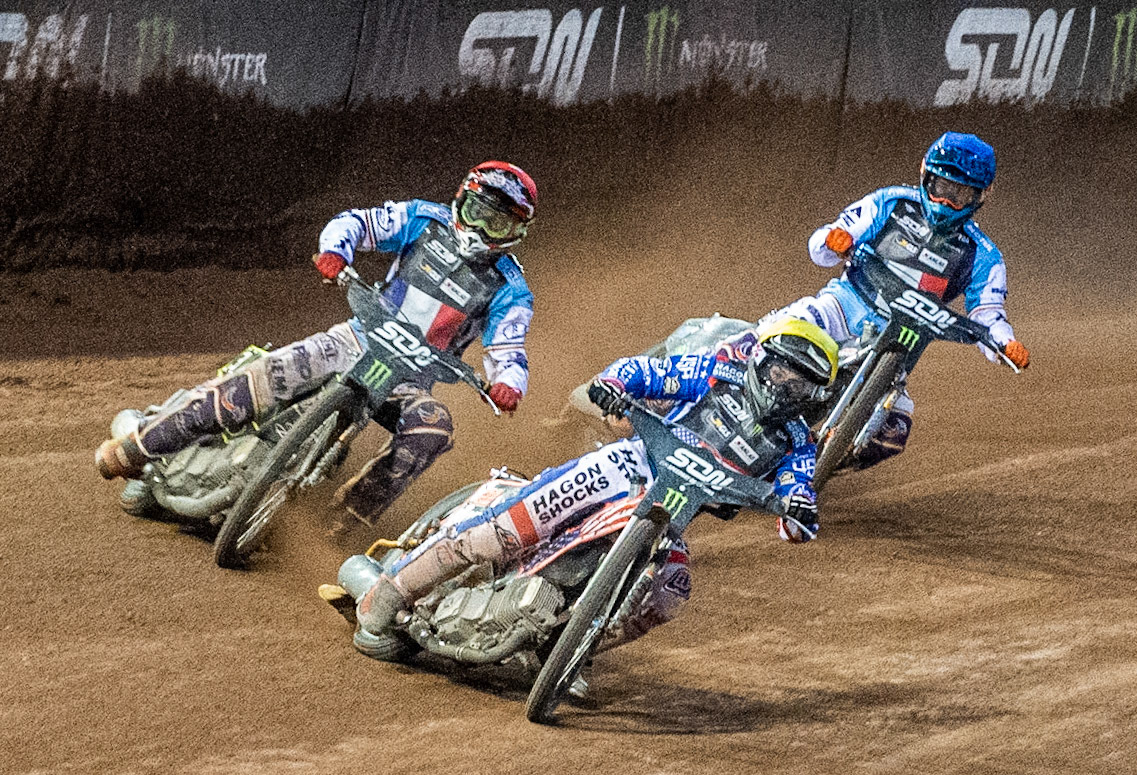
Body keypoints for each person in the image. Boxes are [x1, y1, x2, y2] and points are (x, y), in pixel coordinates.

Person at [341, 318, 839, 685]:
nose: (783, 388)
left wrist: (798, 512)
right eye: (779, 372)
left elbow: (799, 503)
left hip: (672, 515)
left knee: (672, 590)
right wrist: (615, 385)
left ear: (814, 396)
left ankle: (570, 647)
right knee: (505, 533)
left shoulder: (797, 442)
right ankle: (387, 595)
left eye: (800, 384)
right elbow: (647, 371)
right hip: (625, 466)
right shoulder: (714, 375)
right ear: (760, 362)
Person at [95, 161, 538, 530]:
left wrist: (507, 385)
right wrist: (335, 251)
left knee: (434, 428)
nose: (482, 227)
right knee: (265, 376)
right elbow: (357, 223)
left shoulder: (510, 288)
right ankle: (141, 447)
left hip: (411, 381)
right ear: (462, 200)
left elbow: (508, 349)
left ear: (515, 231)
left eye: (497, 221)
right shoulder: (424, 219)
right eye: (478, 211)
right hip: (356, 340)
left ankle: (342, 522)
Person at [759, 131, 1030, 468]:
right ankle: (700, 371)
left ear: (980, 196)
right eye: (941, 188)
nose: (945, 202)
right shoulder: (890, 202)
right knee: (771, 336)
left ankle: (816, 465)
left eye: (959, 195)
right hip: (843, 305)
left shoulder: (984, 256)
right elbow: (822, 246)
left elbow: (988, 314)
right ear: (924, 175)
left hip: (900, 346)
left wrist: (1005, 344)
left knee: (894, 430)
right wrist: (833, 240)